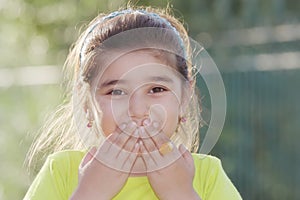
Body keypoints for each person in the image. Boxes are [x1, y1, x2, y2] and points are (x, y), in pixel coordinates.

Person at [24, 6, 242, 200]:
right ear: (87, 105)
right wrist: (90, 194)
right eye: (116, 91)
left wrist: (181, 194)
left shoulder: (206, 175)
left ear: (184, 97)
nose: (137, 111)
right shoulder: (62, 172)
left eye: (157, 89)